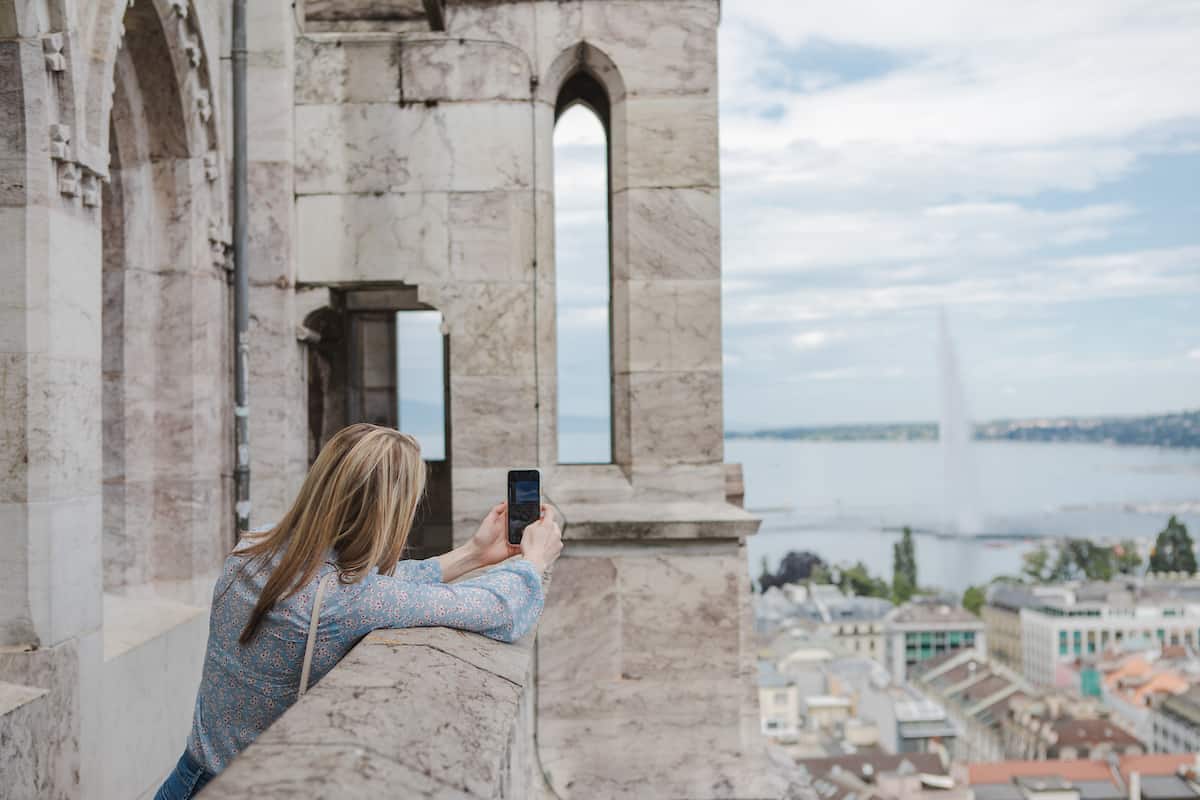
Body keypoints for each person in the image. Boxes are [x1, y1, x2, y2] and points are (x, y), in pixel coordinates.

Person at [154, 423, 563, 799]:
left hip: (185, 778)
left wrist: (474, 554)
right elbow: (499, 610)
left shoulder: (253, 550)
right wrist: (533, 561)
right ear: (387, 512)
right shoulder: (344, 600)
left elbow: (373, 585)